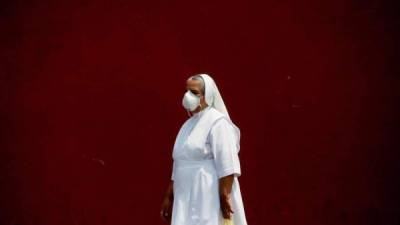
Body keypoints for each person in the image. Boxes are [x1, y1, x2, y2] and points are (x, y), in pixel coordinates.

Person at [160, 74, 248, 225]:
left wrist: (224, 195)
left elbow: (227, 163)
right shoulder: (187, 125)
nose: (188, 96)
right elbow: (179, 161)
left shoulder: (218, 122)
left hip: (207, 195)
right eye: (187, 91)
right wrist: (169, 195)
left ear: (207, 95)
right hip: (184, 195)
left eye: (194, 92)